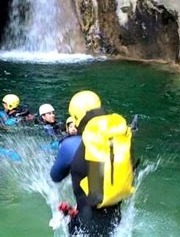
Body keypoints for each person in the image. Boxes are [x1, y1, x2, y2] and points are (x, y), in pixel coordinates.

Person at [50, 91, 135, 236]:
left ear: (76, 117)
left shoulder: (71, 145)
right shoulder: (121, 139)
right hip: (115, 223)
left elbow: (55, 176)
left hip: (85, 227)